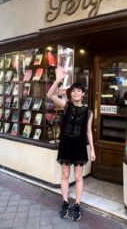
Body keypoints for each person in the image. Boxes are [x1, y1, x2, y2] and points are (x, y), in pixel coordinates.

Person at [47, 66, 96, 221]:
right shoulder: (66, 105)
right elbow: (49, 95)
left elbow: (88, 132)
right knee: (65, 174)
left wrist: (92, 150)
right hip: (66, 144)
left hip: (80, 145)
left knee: (78, 177)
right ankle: (65, 202)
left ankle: (77, 204)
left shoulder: (88, 111)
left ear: (83, 94)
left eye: (78, 91)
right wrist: (58, 80)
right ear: (71, 93)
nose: (76, 93)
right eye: (73, 91)